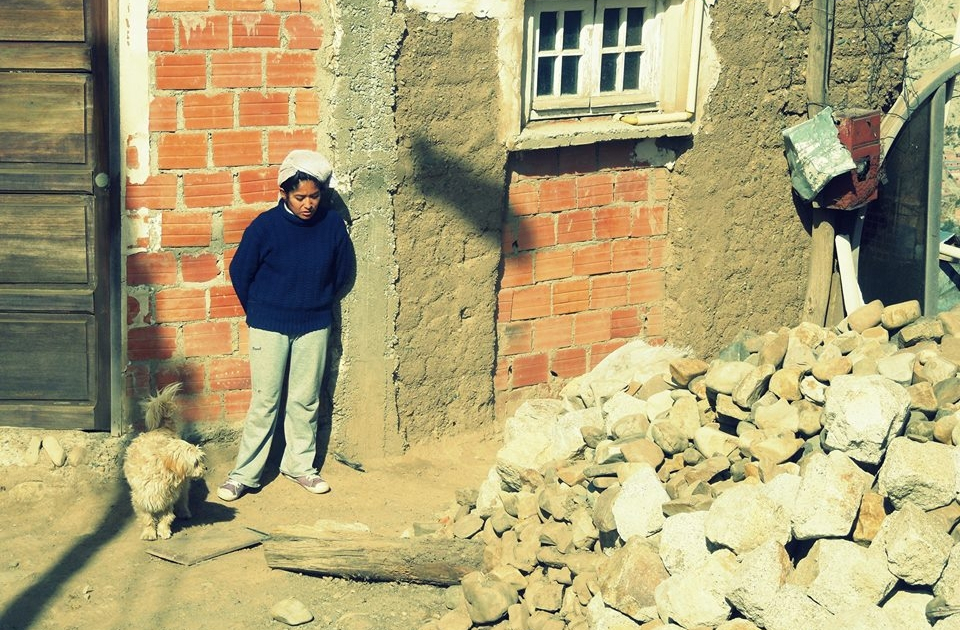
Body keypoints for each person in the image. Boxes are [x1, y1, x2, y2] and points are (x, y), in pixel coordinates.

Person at [217, 149, 356, 502]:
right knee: (265, 401)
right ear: (283, 193)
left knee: (305, 400)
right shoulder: (265, 227)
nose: (308, 204)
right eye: (300, 197)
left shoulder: (331, 226)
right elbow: (240, 271)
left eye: (314, 196)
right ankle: (244, 474)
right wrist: (262, 311)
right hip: (268, 325)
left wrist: (316, 302)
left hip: (314, 324)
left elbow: (343, 272)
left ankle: (299, 465)